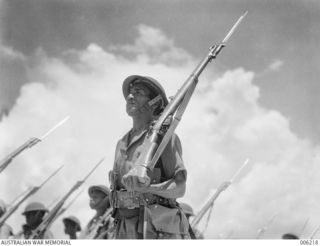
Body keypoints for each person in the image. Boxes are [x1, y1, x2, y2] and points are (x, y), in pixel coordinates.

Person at [109, 75, 189, 239]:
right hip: (123, 227)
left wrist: (147, 189)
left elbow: (180, 188)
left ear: (154, 103)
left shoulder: (164, 138)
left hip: (153, 229)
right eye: (130, 93)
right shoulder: (121, 143)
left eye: (138, 92)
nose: (130, 96)